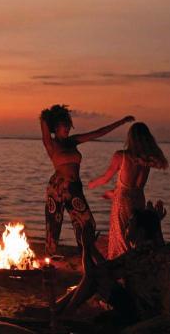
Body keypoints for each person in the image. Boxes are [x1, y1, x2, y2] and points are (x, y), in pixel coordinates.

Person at [40, 104, 134, 254]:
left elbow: (98, 133)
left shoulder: (73, 141)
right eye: (65, 125)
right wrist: (49, 114)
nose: (68, 128)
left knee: (87, 223)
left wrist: (121, 122)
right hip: (57, 187)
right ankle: (49, 258)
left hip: (75, 187)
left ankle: (85, 254)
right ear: (56, 127)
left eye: (68, 125)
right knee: (54, 224)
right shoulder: (51, 144)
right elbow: (44, 119)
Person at [54, 208, 170, 324]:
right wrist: (91, 248)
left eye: (130, 223)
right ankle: (59, 308)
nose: (126, 226)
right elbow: (106, 268)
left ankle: (64, 312)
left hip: (145, 314)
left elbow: (93, 273)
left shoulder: (140, 253)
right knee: (100, 278)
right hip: (150, 309)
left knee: (97, 279)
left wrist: (86, 246)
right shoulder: (150, 249)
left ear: (140, 232)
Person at [88, 122, 169, 258]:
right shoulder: (147, 160)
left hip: (122, 201)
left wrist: (92, 184)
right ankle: (133, 260)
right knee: (134, 232)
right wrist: (112, 194)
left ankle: (120, 263)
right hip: (138, 199)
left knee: (120, 235)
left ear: (130, 138)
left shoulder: (122, 156)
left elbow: (106, 178)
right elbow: (131, 188)